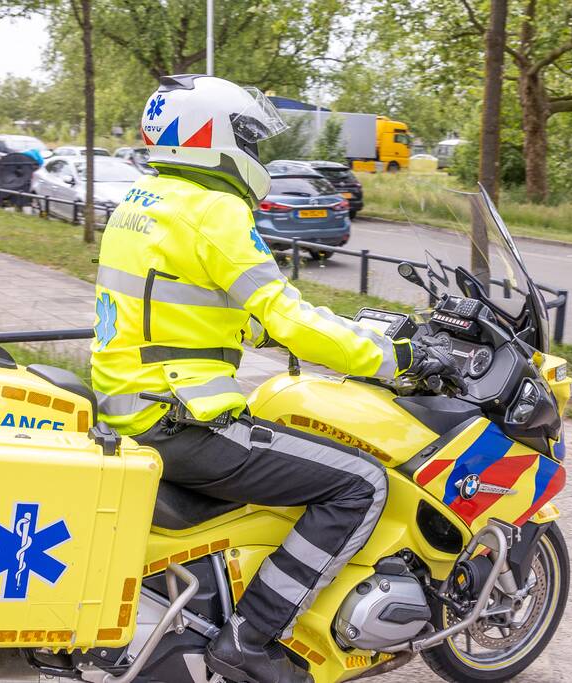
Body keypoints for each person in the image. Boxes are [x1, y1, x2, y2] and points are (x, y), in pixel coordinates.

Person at [91, 74, 459, 683]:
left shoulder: (145, 200)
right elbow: (289, 315)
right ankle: (250, 639)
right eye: (249, 138)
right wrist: (397, 359)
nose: (256, 154)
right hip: (183, 421)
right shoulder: (215, 210)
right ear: (211, 136)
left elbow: (195, 308)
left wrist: (294, 329)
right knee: (362, 483)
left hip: (135, 404)